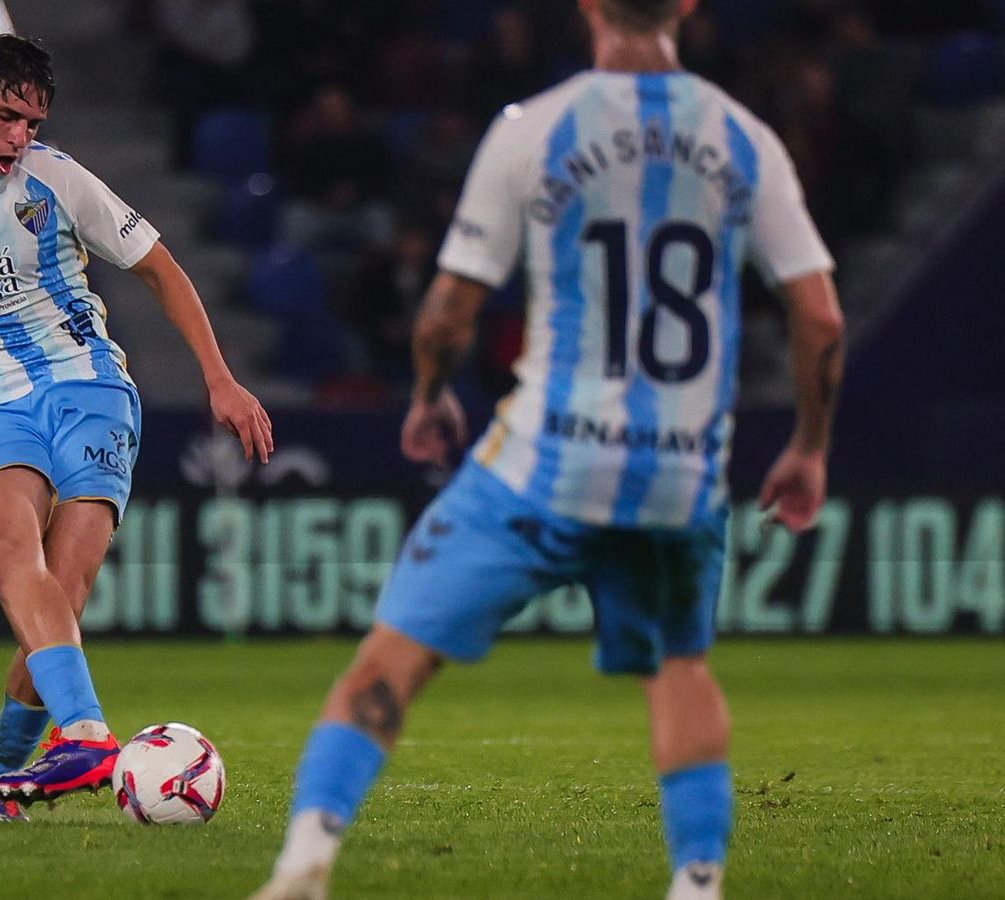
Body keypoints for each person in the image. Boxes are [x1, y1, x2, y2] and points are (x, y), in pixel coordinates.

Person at [252, 1, 844, 898]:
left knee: (393, 658)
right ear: (686, 6)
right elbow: (821, 315)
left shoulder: (537, 128)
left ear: (588, 5)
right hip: (677, 476)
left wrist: (427, 395)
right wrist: (808, 444)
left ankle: (307, 860)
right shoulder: (746, 137)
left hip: (543, 464)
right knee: (679, 671)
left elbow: (450, 308)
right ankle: (698, 882)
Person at [0, 35, 272, 823]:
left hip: (91, 389)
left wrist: (220, 377)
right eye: (7, 117)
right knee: (11, 548)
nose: (19, 139)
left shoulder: (57, 180)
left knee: (61, 602)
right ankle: (84, 734)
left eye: (33, 124)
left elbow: (159, 266)